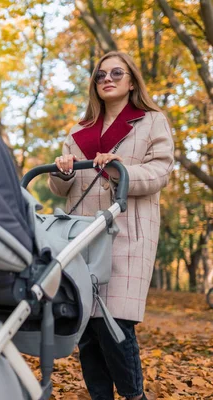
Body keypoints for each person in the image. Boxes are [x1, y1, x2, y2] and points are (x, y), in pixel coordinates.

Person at [48, 51, 175, 400]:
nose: (108, 78)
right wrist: (64, 171)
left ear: (131, 81)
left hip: (127, 233)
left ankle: (135, 396)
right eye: (101, 74)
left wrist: (122, 169)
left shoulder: (151, 121)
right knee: (87, 327)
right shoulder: (79, 132)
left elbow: (161, 171)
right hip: (84, 236)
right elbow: (61, 189)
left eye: (117, 73)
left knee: (114, 322)